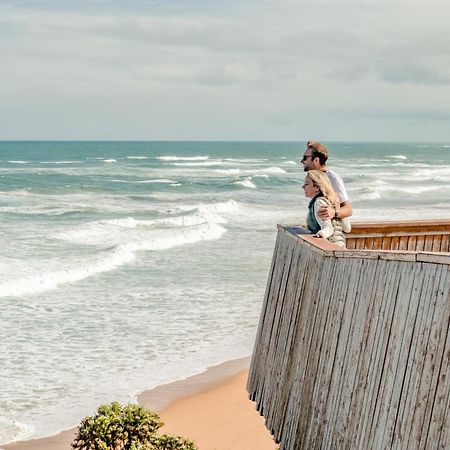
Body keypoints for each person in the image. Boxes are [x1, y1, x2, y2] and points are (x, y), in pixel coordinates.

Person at [301, 141, 353, 220]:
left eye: (305, 158)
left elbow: (348, 209)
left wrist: (334, 212)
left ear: (316, 160)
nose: (302, 161)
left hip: (331, 230)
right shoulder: (313, 177)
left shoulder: (332, 178)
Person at [303, 170, 351, 248]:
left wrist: (319, 235)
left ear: (317, 187)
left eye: (307, 184)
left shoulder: (319, 203)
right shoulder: (334, 202)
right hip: (342, 246)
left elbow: (328, 228)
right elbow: (347, 228)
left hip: (330, 247)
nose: (303, 187)